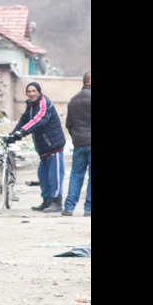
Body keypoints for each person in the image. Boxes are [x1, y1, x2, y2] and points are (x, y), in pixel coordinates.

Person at [9, 82, 66, 213]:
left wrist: (22, 132)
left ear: (39, 92)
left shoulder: (44, 103)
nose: (31, 93)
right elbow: (23, 120)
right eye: (29, 91)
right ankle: (47, 201)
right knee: (43, 175)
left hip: (53, 146)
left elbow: (39, 120)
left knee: (55, 176)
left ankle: (57, 202)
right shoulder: (30, 105)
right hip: (43, 148)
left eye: (34, 91)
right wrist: (13, 134)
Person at [62, 72, 91, 217]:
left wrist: (76, 137)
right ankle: (89, 209)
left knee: (76, 175)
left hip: (79, 143)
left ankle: (69, 208)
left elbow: (69, 124)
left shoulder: (73, 100)